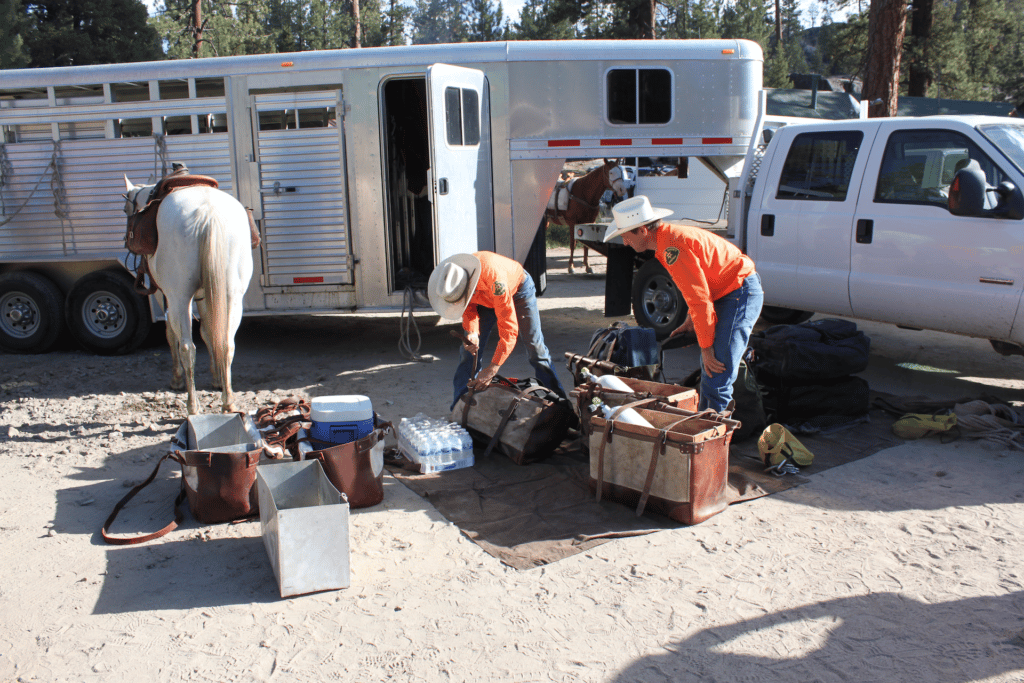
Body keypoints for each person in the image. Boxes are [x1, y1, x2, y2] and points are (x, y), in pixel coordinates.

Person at [604, 195, 763, 413]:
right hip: (732, 289)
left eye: (625, 235)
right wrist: (691, 321)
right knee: (712, 374)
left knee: (716, 373)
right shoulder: (668, 240)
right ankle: (706, 430)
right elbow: (697, 287)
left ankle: (712, 440)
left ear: (642, 231)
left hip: (738, 292)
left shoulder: (672, 247)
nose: (624, 242)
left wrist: (706, 348)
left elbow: (699, 299)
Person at [428, 251, 567, 408]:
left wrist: (492, 368)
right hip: (485, 297)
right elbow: (468, 308)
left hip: (519, 291)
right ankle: (461, 408)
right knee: (468, 353)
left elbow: (509, 331)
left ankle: (561, 405)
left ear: (469, 286)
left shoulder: (495, 281)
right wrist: (473, 333)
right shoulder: (458, 278)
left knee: (536, 349)